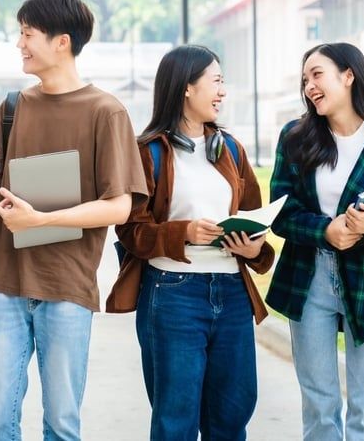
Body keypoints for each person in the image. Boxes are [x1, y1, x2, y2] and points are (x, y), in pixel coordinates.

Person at [0, 0, 147, 441]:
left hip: (66, 284)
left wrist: (40, 221)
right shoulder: (10, 108)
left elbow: (120, 205)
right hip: (2, 281)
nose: (19, 44)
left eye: (27, 34)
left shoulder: (106, 112)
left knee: (62, 425)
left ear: (61, 41)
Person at [106, 44, 275, 441]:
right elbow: (130, 229)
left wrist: (253, 249)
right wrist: (183, 233)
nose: (222, 91)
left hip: (232, 292)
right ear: (186, 87)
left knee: (232, 416)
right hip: (173, 295)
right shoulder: (148, 152)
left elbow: (254, 217)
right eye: (216, 81)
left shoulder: (231, 148)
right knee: (175, 421)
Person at [266, 42, 364, 441]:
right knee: (319, 404)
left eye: (317, 74)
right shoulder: (295, 137)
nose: (309, 86)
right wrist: (325, 230)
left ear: (348, 75)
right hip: (310, 276)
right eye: (305, 80)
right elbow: (280, 212)